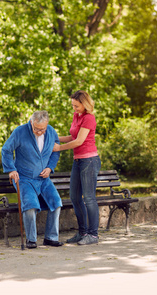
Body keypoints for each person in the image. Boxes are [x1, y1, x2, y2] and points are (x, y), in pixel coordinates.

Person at [1, 111, 63, 249]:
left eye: (42, 129)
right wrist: (11, 169)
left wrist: (50, 167)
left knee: (56, 202)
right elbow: (6, 150)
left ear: (47, 125)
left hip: (43, 178)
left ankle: (51, 238)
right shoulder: (20, 132)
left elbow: (56, 150)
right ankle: (31, 239)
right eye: (36, 129)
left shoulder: (51, 132)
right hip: (24, 178)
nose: (39, 132)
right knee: (30, 206)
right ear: (31, 122)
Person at [53, 90, 101, 245]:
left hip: (89, 161)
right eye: (72, 105)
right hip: (78, 161)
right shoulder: (77, 116)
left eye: (77, 105)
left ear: (85, 104)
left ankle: (93, 235)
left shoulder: (89, 118)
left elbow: (79, 141)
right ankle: (82, 232)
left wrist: (59, 148)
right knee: (74, 197)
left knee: (89, 198)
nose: (74, 108)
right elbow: (72, 137)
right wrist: (52, 137)